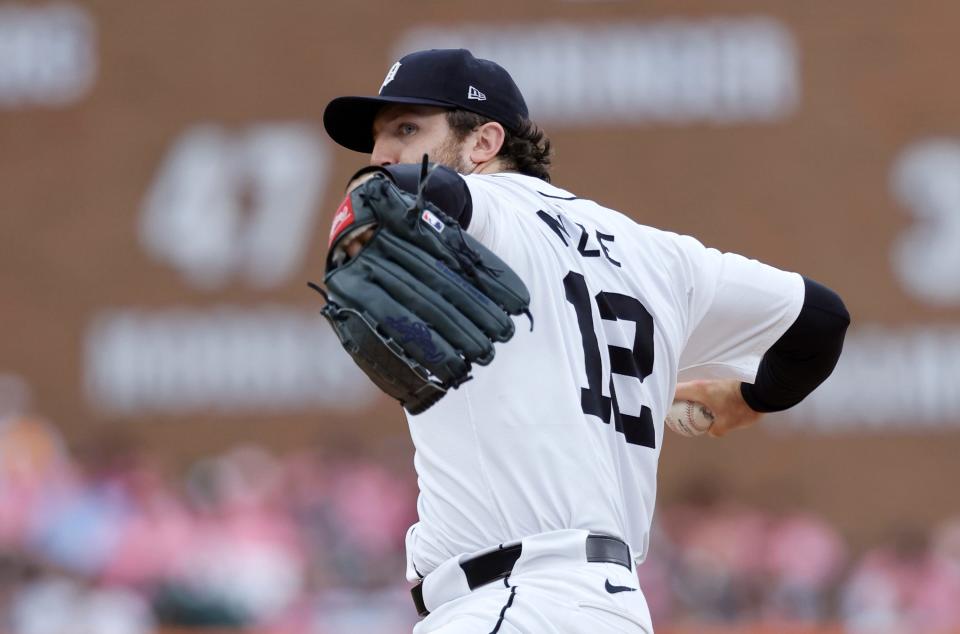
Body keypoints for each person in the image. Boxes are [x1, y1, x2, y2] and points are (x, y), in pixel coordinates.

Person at [322, 48, 849, 633]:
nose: (381, 153)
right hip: (614, 608)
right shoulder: (660, 257)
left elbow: (393, 197)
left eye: (407, 128)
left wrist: (368, 204)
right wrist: (752, 398)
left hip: (509, 601)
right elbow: (822, 319)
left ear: (483, 142)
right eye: (378, 138)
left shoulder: (489, 211)